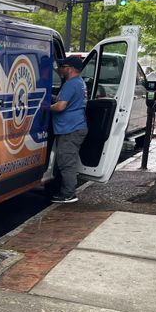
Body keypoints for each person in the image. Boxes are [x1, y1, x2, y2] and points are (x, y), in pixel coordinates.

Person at [50, 56, 88, 203]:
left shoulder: (71, 84)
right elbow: (63, 100)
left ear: (70, 69)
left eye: (63, 67)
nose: (60, 69)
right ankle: (67, 191)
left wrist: (45, 107)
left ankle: (68, 194)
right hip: (74, 127)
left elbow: (60, 106)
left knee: (67, 162)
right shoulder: (79, 83)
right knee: (68, 160)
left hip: (70, 129)